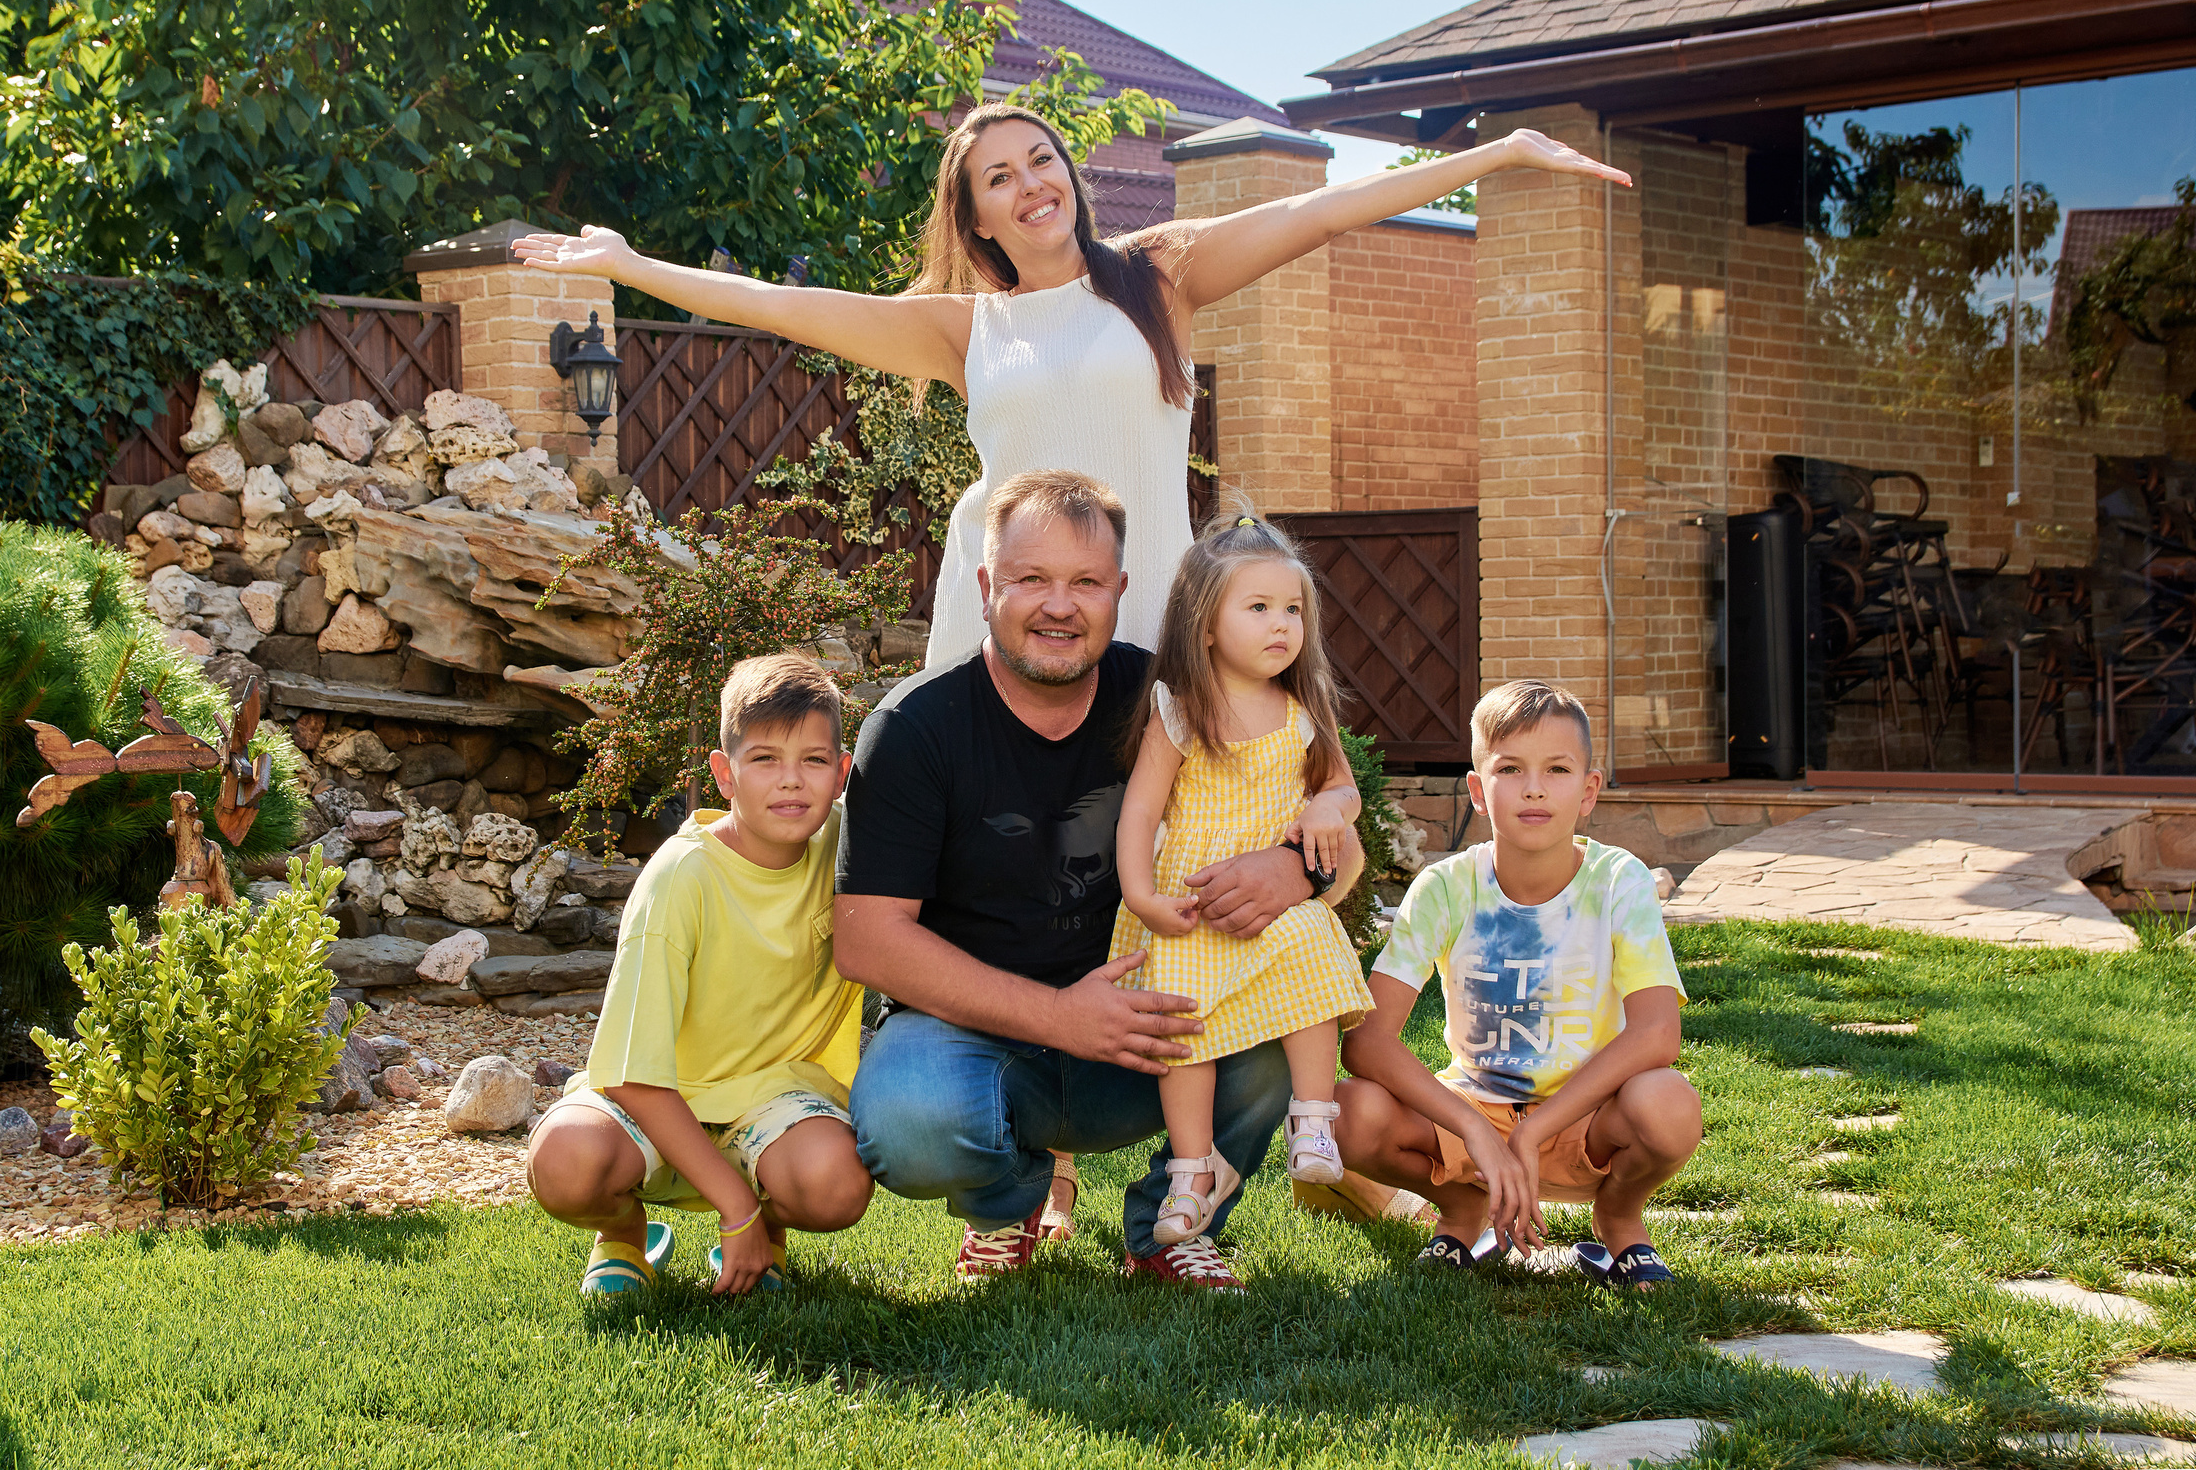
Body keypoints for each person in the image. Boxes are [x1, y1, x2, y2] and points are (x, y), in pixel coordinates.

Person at [511, 106, 1630, 671]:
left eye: (1039, 159)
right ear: (980, 217)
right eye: (999, 178)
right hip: (998, 600)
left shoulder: (1161, 275)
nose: (1029, 182)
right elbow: (781, 305)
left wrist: (1495, 158)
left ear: (1068, 175)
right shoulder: (964, 328)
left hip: (1148, 593)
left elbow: (1320, 213)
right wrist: (631, 267)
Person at [834, 469, 1361, 1293]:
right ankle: (1008, 1206)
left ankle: (1171, 1225)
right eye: (1032, 579)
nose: (1059, 605)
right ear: (986, 587)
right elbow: (867, 938)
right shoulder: (914, 728)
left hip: (1156, 1011)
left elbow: (1339, 841)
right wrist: (1060, 1016)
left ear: (1120, 591)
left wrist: (1291, 867)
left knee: (1271, 1039)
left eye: (1085, 582)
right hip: (978, 1033)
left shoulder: (1175, 698)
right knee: (911, 1117)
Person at [524, 654, 873, 1297]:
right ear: (724, 774)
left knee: (837, 1183)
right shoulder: (679, 879)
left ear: (842, 772)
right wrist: (730, 1206)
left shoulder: (851, 848)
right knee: (568, 1163)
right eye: (764, 758)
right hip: (662, 1098)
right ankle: (625, 1233)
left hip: (771, 1098)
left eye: (814, 761)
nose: (791, 782)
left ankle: (767, 1228)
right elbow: (634, 1076)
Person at [1336, 680, 1704, 1288]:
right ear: (1479, 791)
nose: (1534, 787)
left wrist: (1535, 1128)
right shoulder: (1446, 887)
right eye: (1511, 768)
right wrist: (1476, 1130)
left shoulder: (1619, 881)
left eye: (1557, 769)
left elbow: (1658, 1034)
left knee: (1668, 1104)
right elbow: (1368, 1042)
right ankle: (1460, 1214)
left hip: (1590, 1118)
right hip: (1474, 1112)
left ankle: (1619, 1221)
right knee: (1351, 1113)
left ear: (1589, 791)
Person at [1111, 512, 1377, 1241]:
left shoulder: (1302, 711)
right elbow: (1139, 814)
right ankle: (1193, 1169)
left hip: (1273, 907)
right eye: (1257, 608)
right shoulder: (1182, 708)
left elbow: (1345, 791)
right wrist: (1142, 894)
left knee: (1314, 954)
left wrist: (1327, 805)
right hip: (1192, 908)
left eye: (1292, 609)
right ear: (1204, 625)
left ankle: (1313, 1121)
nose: (1280, 625)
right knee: (1184, 1029)